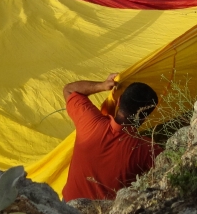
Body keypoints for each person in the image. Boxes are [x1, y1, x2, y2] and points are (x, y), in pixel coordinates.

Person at [62, 73, 162, 201]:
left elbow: (69, 89)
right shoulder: (147, 149)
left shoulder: (89, 122)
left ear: (119, 101)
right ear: (145, 117)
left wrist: (102, 85)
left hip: (66, 208)